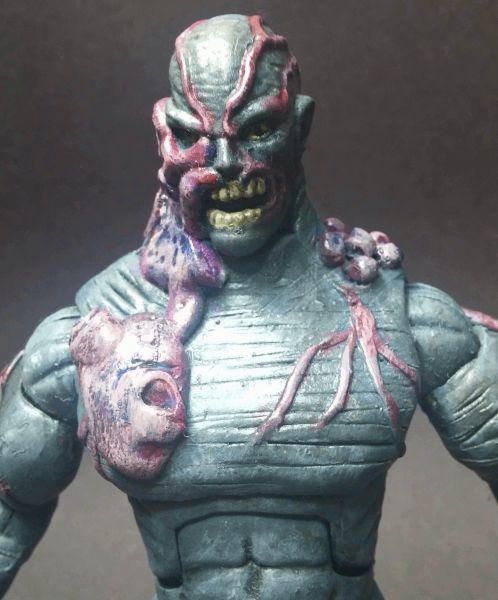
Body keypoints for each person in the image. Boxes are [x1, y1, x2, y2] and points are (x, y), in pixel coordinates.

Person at [0, 14, 496, 600]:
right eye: (196, 136)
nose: (225, 164)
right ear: (166, 130)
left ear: (299, 126)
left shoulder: (399, 319)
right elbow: (9, 507)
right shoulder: (96, 328)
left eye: (256, 130)